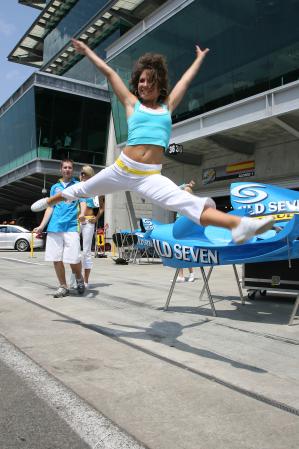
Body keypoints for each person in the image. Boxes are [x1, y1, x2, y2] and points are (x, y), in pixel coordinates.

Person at [31, 38, 274, 245]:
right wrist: (87, 52)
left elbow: (185, 82)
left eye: (149, 81)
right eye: (141, 81)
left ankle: (239, 225)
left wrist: (199, 58)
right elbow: (110, 73)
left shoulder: (166, 108)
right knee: (81, 190)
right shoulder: (131, 104)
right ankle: (49, 200)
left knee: (187, 202)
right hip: (122, 168)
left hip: (150, 176)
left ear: (159, 85)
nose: (144, 85)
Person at [33, 159, 85, 298]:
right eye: (65, 167)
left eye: (70, 167)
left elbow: (83, 202)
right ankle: (63, 286)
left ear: (72, 170)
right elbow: (50, 207)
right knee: (56, 258)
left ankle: (79, 278)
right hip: (55, 227)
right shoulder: (55, 187)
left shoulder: (78, 185)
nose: (67, 169)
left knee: (73, 259)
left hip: (71, 226)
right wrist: (42, 225)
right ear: (61, 170)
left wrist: (83, 214)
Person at [77, 165, 104, 288]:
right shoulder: (77, 188)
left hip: (88, 222)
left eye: (84, 174)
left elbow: (102, 208)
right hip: (76, 222)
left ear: (90, 175)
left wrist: (96, 218)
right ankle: (76, 279)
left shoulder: (97, 189)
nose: (82, 176)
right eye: (81, 174)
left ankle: (85, 280)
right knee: (74, 251)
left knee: (86, 252)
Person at [174, 182, 196, 283]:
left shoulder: (191, 204)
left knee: (186, 253)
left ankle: (191, 273)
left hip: (186, 229)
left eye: (186, 192)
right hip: (178, 227)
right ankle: (181, 276)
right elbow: (176, 189)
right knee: (178, 252)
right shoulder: (180, 202)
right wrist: (185, 184)